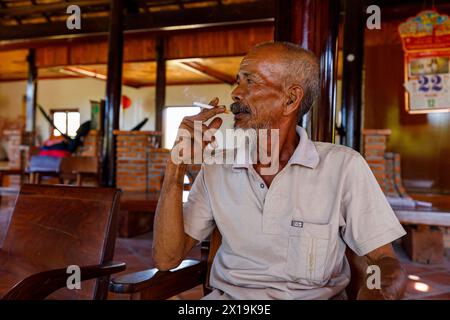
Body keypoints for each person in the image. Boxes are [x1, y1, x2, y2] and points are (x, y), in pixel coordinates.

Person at [153, 41, 407, 300]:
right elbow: (166, 258)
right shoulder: (217, 168)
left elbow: (384, 260)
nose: (235, 93)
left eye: (250, 81)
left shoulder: (343, 167)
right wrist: (176, 166)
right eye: (237, 81)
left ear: (291, 99)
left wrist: (378, 292)